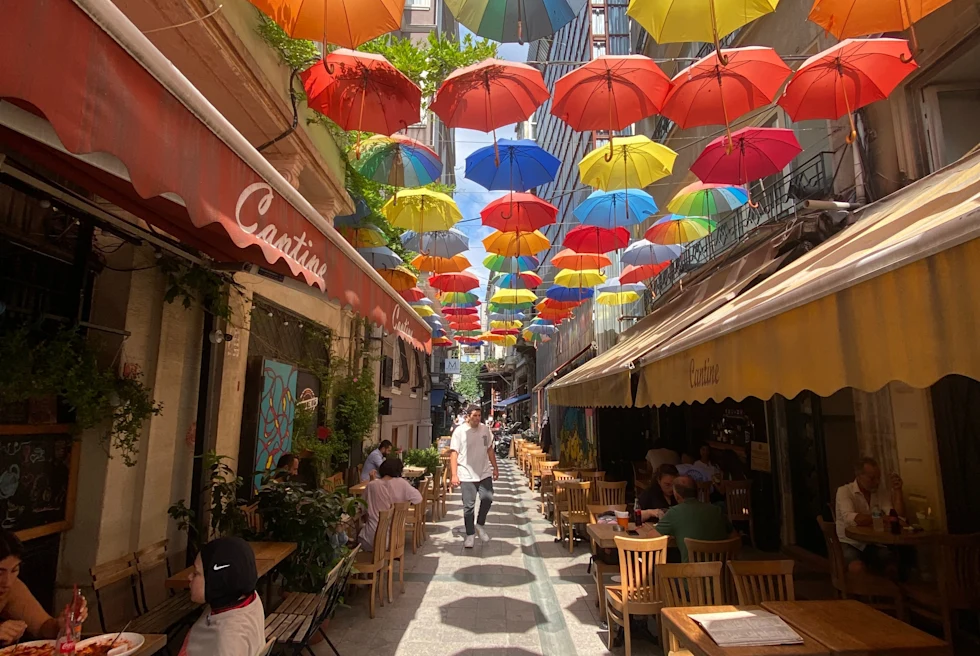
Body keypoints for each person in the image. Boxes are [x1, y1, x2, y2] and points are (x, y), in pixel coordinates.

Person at [0, 530, 88, 645]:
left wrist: (60, 625)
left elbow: (42, 627)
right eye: (0, 572)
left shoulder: (12, 588)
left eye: (14, 570)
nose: (8, 582)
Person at [182, 536, 265, 656]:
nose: (189, 577)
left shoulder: (228, 640)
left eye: (196, 573)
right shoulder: (247, 600)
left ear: (217, 581)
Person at [836, 457, 905, 574]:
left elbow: (894, 515)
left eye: (879, 478)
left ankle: (887, 591)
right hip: (850, 542)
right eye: (872, 478)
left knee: (892, 564)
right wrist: (881, 518)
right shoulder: (844, 491)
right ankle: (861, 592)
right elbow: (850, 518)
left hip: (872, 542)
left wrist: (898, 491)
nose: (877, 482)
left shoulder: (879, 491)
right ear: (858, 476)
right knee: (857, 567)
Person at [654, 475, 736, 562]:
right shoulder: (717, 510)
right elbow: (735, 538)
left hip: (691, 573)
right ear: (697, 492)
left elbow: (653, 537)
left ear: (676, 495)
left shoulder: (674, 512)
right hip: (722, 573)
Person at [450, 404, 499, 548]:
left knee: (488, 498)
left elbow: (489, 449)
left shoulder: (485, 430)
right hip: (466, 474)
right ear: (468, 417)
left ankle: (479, 524)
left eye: (479, 416)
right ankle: (470, 534)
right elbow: (454, 453)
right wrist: (454, 474)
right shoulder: (459, 432)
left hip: (484, 472)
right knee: (468, 507)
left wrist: (495, 468)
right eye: (474, 416)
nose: (477, 419)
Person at [358, 458, 423, 551]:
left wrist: (372, 481)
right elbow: (418, 498)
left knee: (356, 532)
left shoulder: (372, 486)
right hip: (394, 540)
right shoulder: (402, 483)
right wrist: (404, 504)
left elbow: (362, 507)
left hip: (371, 540)